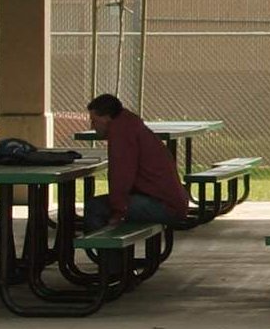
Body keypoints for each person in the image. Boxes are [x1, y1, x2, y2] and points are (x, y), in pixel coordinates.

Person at [82, 93, 193, 230]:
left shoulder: (122, 134)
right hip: (170, 201)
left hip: (163, 205)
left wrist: (118, 211)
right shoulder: (130, 125)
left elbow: (121, 175)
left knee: (95, 207)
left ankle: (106, 248)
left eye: (94, 121)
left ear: (107, 118)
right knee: (105, 205)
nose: (92, 127)